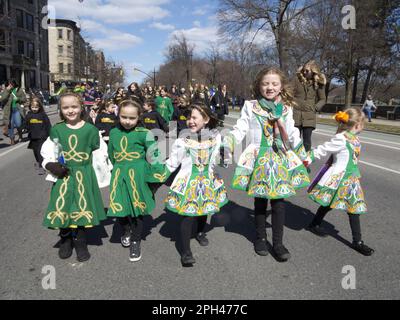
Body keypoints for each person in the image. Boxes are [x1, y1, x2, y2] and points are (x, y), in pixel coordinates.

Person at [222, 67, 310, 262]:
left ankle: (278, 243)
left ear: (281, 86)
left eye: (274, 84)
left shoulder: (286, 108)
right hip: (258, 157)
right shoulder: (250, 106)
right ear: (259, 85)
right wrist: (228, 142)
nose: (270, 87)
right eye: (265, 83)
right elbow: (240, 128)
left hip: (279, 157)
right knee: (260, 200)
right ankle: (260, 238)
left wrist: (301, 151)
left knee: (279, 203)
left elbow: (292, 131)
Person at [41, 92, 106, 262]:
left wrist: (101, 176)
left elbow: (99, 154)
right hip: (64, 175)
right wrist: (50, 165)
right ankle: (65, 239)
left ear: (81, 107)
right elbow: (49, 150)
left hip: (83, 174)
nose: (70, 110)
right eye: (66, 107)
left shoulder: (90, 130)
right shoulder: (57, 129)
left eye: (74, 106)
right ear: (61, 110)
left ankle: (80, 242)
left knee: (80, 208)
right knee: (63, 206)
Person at [160, 103, 228, 266]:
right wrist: (157, 176)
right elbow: (172, 163)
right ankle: (186, 251)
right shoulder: (183, 140)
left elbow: (221, 161)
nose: (190, 121)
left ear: (205, 119)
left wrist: (225, 155)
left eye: (194, 117)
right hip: (188, 182)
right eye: (188, 118)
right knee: (188, 215)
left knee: (204, 210)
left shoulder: (216, 137)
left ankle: (199, 232)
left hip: (208, 180)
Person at [305, 108, 374, 256]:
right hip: (339, 179)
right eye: (363, 123)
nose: (364, 126)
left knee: (348, 207)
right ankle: (356, 241)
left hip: (351, 179)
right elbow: (323, 149)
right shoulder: (341, 138)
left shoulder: (353, 138)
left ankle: (356, 240)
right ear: (357, 124)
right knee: (338, 205)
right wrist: (308, 158)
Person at [107, 99, 162, 262]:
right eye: (124, 117)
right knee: (121, 207)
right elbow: (111, 154)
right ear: (119, 115)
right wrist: (118, 168)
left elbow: (154, 156)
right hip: (119, 175)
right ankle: (126, 230)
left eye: (132, 118)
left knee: (137, 210)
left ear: (139, 117)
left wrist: (154, 180)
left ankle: (136, 241)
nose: (127, 121)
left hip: (138, 176)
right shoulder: (114, 132)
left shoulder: (145, 134)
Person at [293, 60, 326, 152]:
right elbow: (289, 93)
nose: (304, 72)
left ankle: (305, 161)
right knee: (295, 140)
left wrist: (315, 108)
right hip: (296, 115)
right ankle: (294, 161)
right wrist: (292, 103)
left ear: (313, 71)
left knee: (307, 141)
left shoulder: (319, 83)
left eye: (307, 71)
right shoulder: (297, 80)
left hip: (309, 116)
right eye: (304, 70)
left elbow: (323, 99)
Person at [24, 97, 51, 175]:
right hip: (33, 137)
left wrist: (50, 134)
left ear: (39, 107)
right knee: (35, 151)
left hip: (42, 136)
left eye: (36, 107)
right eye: (33, 107)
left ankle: (41, 166)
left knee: (40, 151)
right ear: (30, 107)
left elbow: (48, 125)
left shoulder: (43, 115)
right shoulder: (29, 115)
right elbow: (25, 124)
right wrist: (24, 128)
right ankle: (38, 161)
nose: (34, 109)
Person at [0, 79, 27, 144]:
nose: (10, 85)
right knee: (10, 125)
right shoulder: (5, 91)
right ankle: (12, 139)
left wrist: (18, 99)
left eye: (12, 84)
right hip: (8, 111)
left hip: (17, 110)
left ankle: (20, 135)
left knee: (18, 124)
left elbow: (24, 99)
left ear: (14, 84)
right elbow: (2, 99)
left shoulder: (19, 90)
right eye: (9, 84)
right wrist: (7, 90)